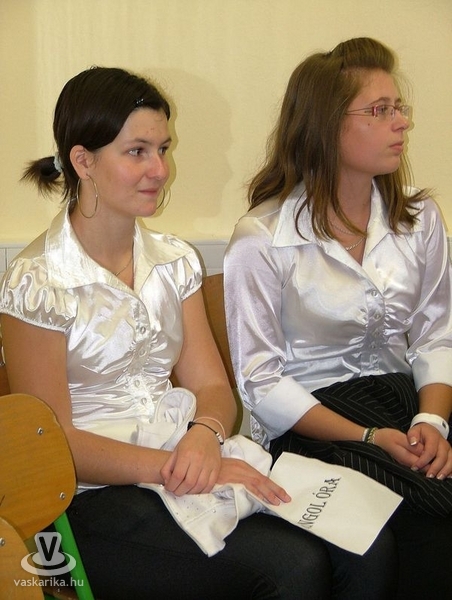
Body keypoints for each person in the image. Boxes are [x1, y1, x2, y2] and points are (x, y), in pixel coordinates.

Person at [0, 66, 396, 600]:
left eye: (162, 149)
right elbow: (52, 444)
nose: (160, 170)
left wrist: (204, 435)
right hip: (87, 498)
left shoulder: (174, 262)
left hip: (183, 460)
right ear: (83, 160)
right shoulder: (37, 282)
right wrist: (183, 463)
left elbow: (212, 386)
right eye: (137, 152)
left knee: (367, 545)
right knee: (291, 571)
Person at [224, 37, 452, 600]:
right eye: (380, 110)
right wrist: (369, 436)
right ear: (326, 125)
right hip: (317, 423)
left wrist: (433, 420)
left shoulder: (419, 218)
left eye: (399, 107)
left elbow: (435, 334)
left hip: (406, 401)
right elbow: (261, 383)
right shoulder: (263, 239)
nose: (401, 122)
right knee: (424, 523)